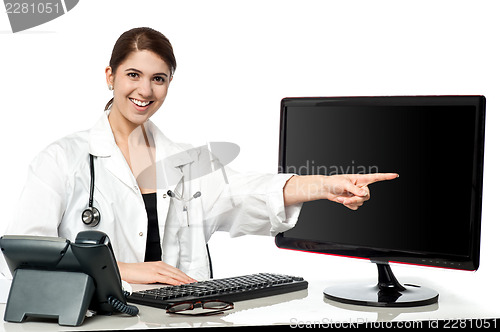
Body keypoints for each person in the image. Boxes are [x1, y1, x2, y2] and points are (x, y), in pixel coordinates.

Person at [4, 27, 398, 285]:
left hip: (177, 314)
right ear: (110, 76)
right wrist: (120, 270)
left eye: (158, 78)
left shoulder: (184, 162)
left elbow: (245, 192)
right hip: (92, 321)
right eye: (133, 75)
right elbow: (27, 257)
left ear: (169, 83)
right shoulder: (61, 159)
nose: (145, 90)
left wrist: (327, 185)